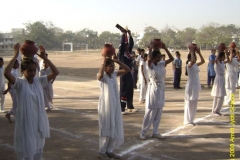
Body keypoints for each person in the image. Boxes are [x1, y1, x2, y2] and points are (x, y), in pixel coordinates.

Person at [4, 43, 59, 160]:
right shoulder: (20, 83)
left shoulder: (39, 81)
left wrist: (44, 58)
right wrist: (15, 55)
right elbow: (6, 73)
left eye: (34, 70)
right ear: (22, 70)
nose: (33, 73)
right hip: (26, 124)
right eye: (29, 70)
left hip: (38, 123)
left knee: (38, 151)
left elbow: (55, 72)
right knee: (27, 151)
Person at [97, 49, 130, 159]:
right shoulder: (103, 77)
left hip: (115, 105)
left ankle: (109, 150)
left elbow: (127, 69)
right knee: (105, 128)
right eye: (109, 66)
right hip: (105, 107)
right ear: (105, 67)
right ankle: (102, 152)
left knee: (114, 126)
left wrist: (117, 61)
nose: (112, 68)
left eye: (112, 66)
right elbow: (99, 75)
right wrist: (103, 61)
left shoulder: (114, 74)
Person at [139, 40, 173, 140]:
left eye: (160, 57)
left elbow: (171, 58)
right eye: (158, 57)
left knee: (159, 111)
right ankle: (143, 132)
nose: (160, 58)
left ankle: (155, 132)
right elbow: (149, 59)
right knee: (150, 111)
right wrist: (150, 48)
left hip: (161, 89)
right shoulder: (150, 65)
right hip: (153, 89)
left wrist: (165, 48)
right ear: (153, 58)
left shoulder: (161, 64)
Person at [184, 44, 205, 126]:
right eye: (194, 57)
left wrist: (199, 53)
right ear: (189, 58)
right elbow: (192, 61)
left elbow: (203, 61)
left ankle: (191, 120)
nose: (195, 59)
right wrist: (192, 51)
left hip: (195, 85)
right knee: (189, 102)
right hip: (190, 85)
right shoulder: (189, 64)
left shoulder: (195, 64)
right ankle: (187, 120)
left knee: (194, 103)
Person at [118, 28, 137, 114]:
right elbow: (122, 44)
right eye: (126, 45)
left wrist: (130, 34)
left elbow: (132, 44)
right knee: (124, 90)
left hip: (129, 72)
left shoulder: (128, 53)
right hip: (123, 72)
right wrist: (123, 34)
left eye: (127, 45)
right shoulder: (121, 53)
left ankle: (130, 106)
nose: (127, 45)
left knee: (130, 89)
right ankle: (121, 107)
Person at [211, 49, 229, 116]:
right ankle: (214, 111)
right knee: (218, 95)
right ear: (220, 57)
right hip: (218, 79)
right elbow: (216, 60)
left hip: (222, 78)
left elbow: (229, 60)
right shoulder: (217, 62)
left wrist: (226, 53)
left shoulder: (222, 62)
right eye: (223, 56)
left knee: (221, 96)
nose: (224, 58)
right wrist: (218, 52)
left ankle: (217, 110)